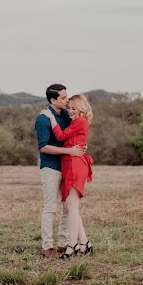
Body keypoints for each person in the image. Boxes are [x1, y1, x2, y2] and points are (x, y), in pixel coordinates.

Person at [36, 84, 86, 258]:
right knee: (50, 207)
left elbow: (74, 134)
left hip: (68, 166)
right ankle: (47, 246)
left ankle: (64, 244)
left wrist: (79, 147)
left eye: (67, 96)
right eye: (63, 98)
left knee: (67, 207)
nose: (67, 100)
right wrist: (69, 151)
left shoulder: (67, 115)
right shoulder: (43, 119)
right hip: (51, 167)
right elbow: (44, 147)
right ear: (53, 100)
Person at [46, 93, 94, 258]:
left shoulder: (80, 121)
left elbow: (60, 136)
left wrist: (52, 119)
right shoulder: (77, 122)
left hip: (74, 166)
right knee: (71, 207)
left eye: (74, 108)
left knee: (72, 208)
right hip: (69, 165)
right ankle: (85, 243)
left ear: (81, 108)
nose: (70, 111)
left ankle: (72, 246)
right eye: (69, 108)